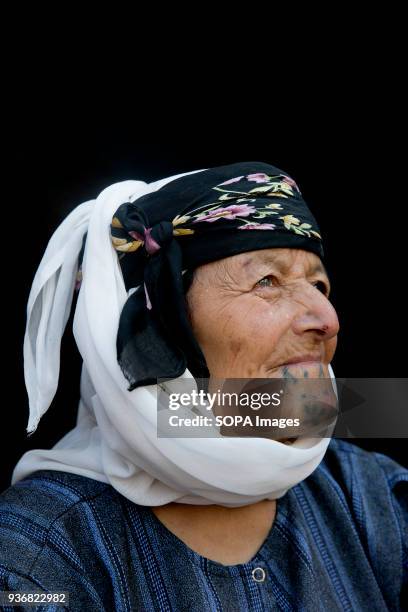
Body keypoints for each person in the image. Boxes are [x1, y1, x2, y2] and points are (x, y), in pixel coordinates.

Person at [0, 162, 406, 611]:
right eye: (266, 282)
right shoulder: (37, 559)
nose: (327, 320)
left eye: (319, 284)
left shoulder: (374, 498)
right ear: (163, 329)